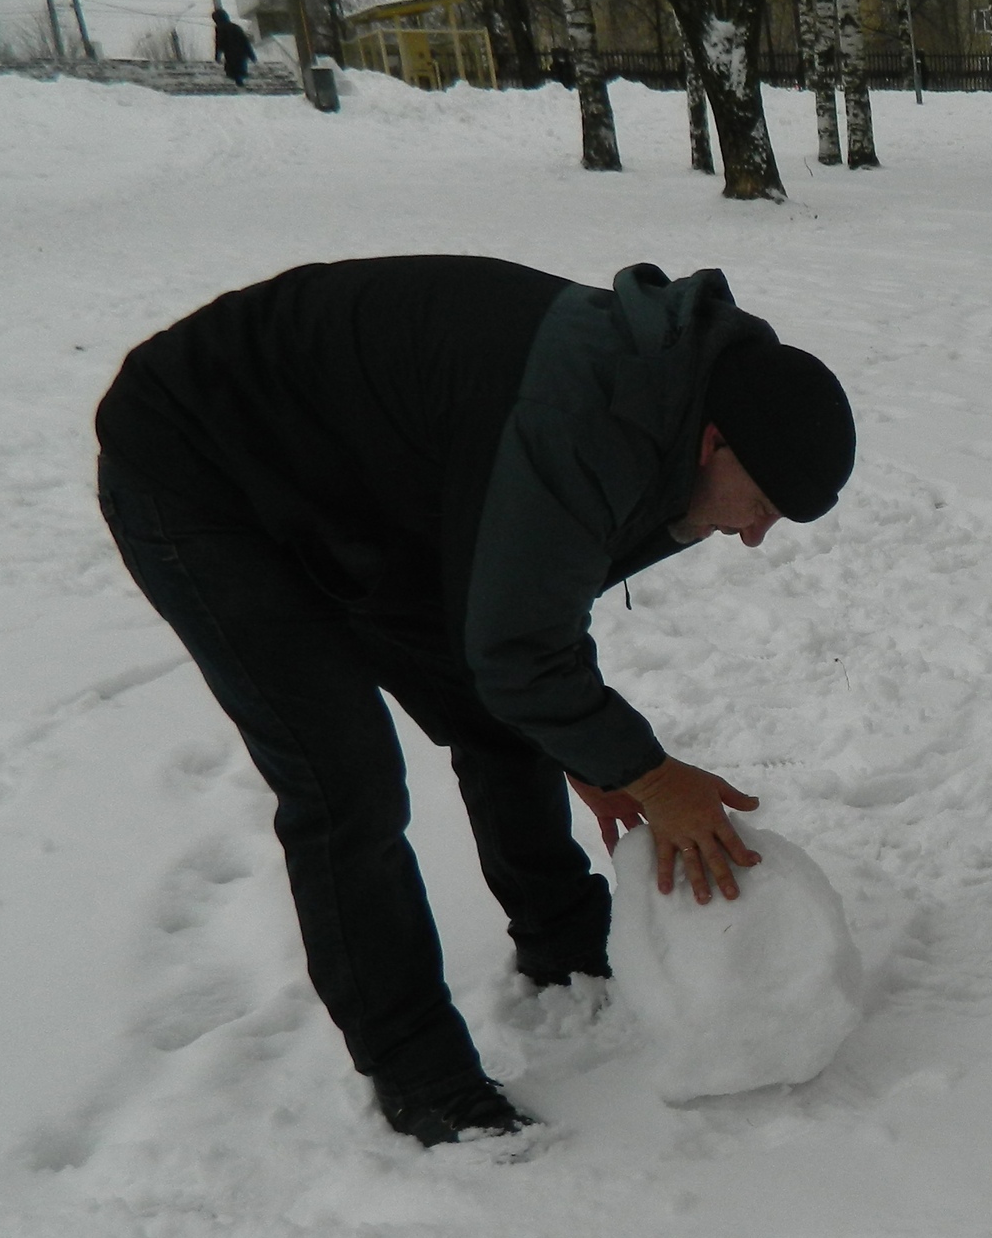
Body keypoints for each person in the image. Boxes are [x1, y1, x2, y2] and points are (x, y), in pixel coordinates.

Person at [95, 257, 856, 1146]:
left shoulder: (685, 404)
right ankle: (416, 1068)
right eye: (759, 505)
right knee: (346, 779)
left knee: (498, 707)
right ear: (714, 443)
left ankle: (563, 935)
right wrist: (648, 774)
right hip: (200, 464)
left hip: (362, 480)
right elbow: (519, 650)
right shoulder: (593, 420)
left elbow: (530, 618)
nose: (756, 536)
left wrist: (594, 749)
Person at [211, 9, 255, 87]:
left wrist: (217, 56)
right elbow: (245, 42)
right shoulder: (236, 27)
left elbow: (219, 43)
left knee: (233, 71)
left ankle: (240, 84)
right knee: (239, 70)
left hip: (230, 54)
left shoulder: (220, 29)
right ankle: (241, 83)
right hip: (241, 54)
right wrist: (252, 55)